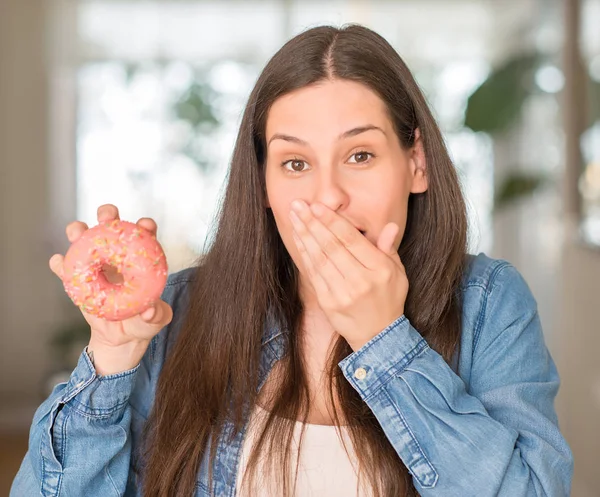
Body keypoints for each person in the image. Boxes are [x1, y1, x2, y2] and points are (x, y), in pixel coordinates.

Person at [11, 24, 573, 497]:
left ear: (416, 163)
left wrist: (386, 341)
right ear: (262, 183)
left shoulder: (489, 304)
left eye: (360, 155)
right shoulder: (178, 311)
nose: (328, 197)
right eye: (295, 164)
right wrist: (111, 360)